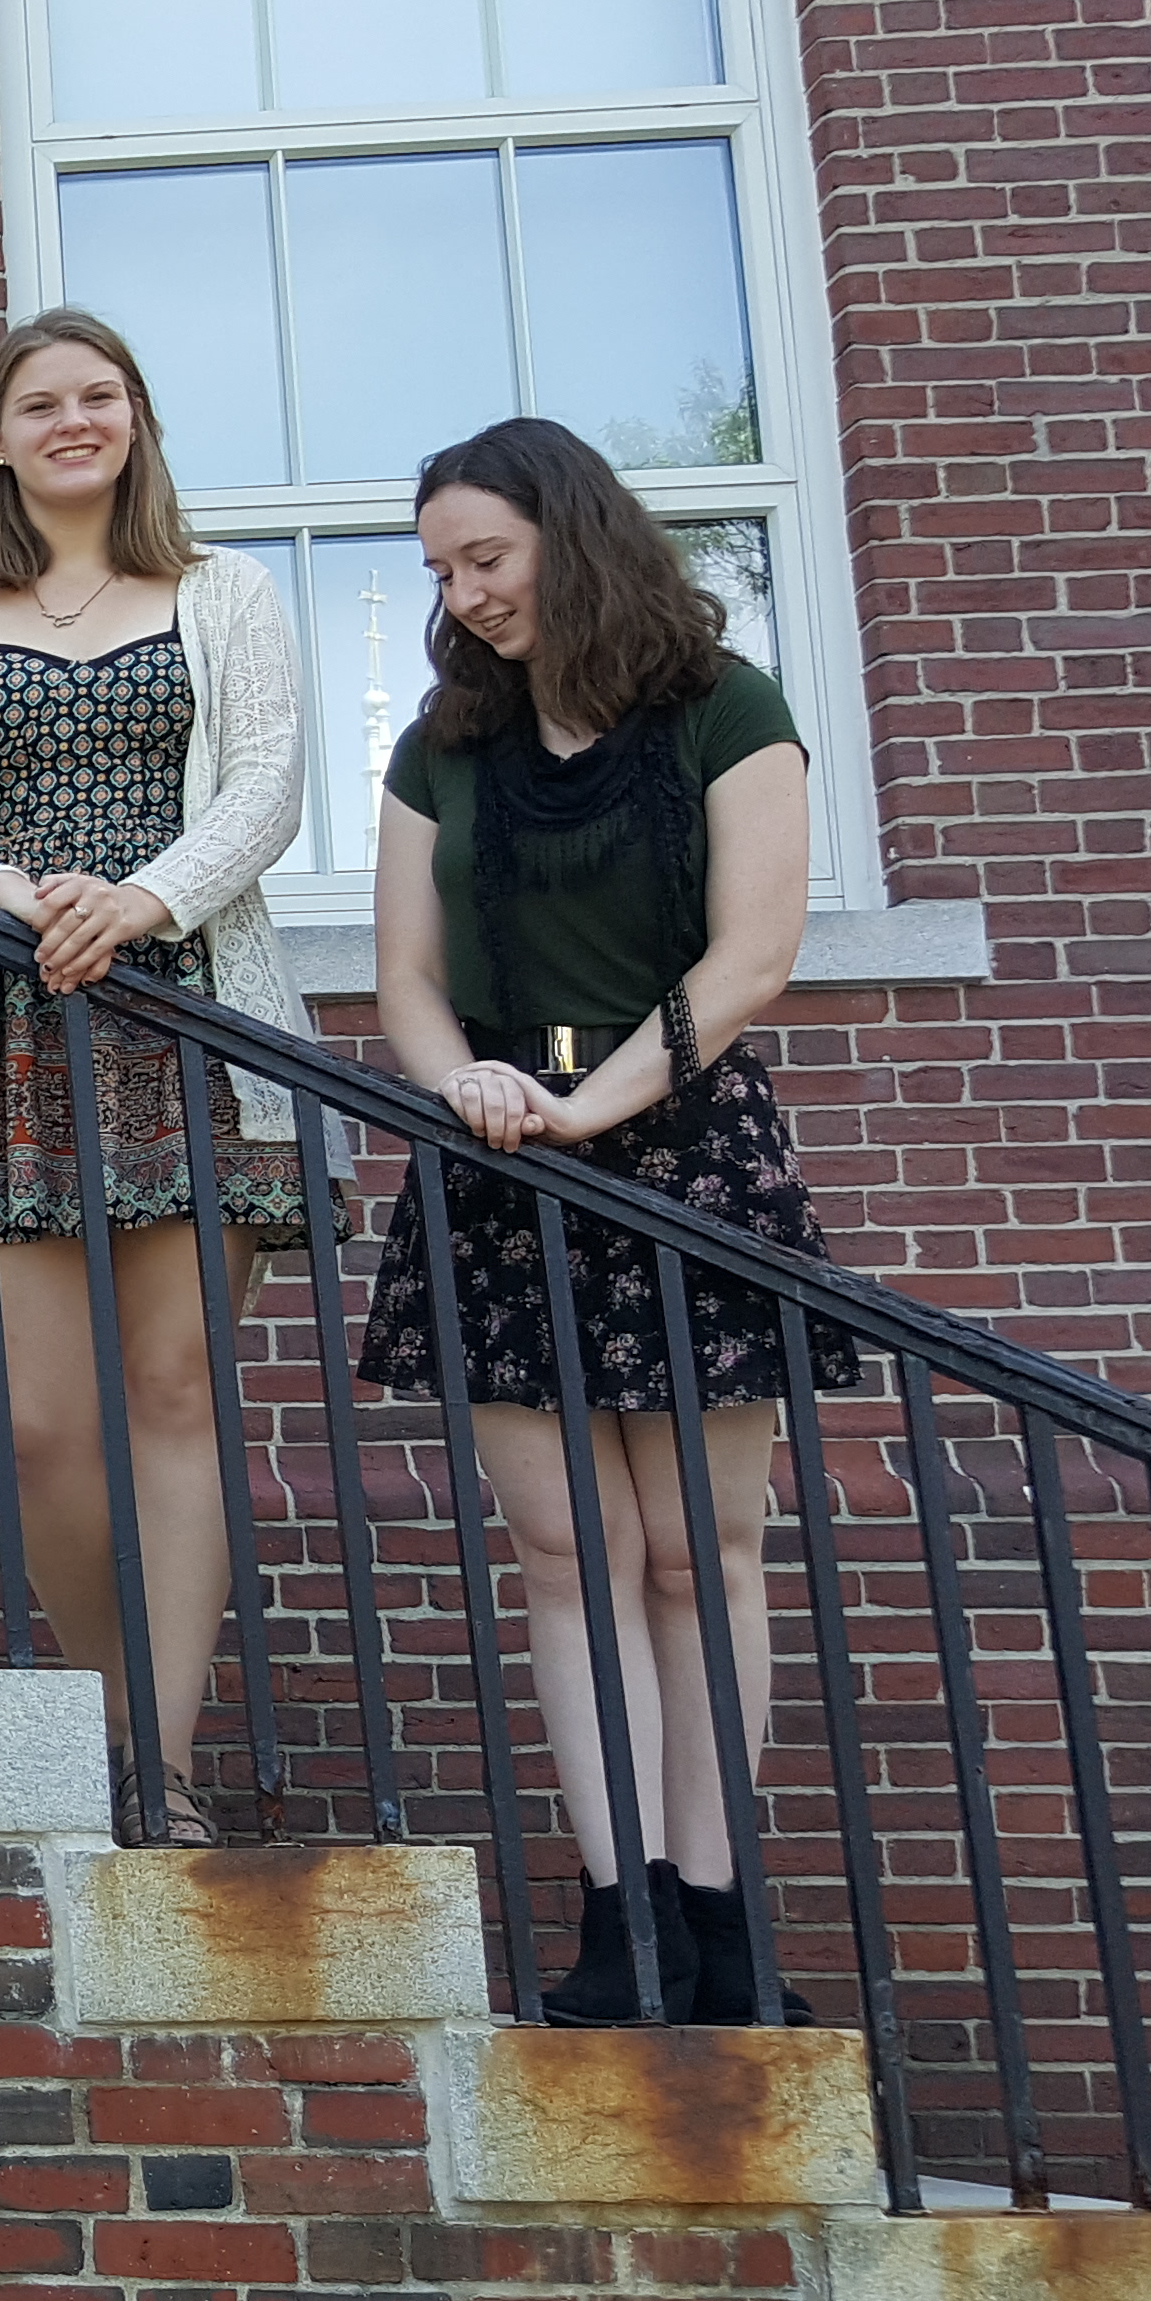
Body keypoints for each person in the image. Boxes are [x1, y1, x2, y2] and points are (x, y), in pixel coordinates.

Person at [365, 415, 844, 2028]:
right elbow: (406, 979)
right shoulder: (443, 745)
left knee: (702, 1550)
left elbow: (750, 955)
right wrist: (466, 1081)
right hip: (503, 1160)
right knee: (569, 1553)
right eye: (442, 570)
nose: (465, 594)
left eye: (485, 557)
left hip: (686, 1143)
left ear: (570, 534)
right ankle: (620, 1917)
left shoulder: (727, 706)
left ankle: (718, 1917)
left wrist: (598, 1104)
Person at [0, 312, 324, 1844]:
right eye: (41, 403)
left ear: (136, 422)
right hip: (1, 1033)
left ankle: (159, 1766)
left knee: (175, 1394)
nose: (74, 420)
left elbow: (267, 788)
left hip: (192, 1022)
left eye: (101, 396)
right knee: (49, 1428)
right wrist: (26, 902)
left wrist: (138, 902)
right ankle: (113, 1720)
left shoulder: (224, 593)